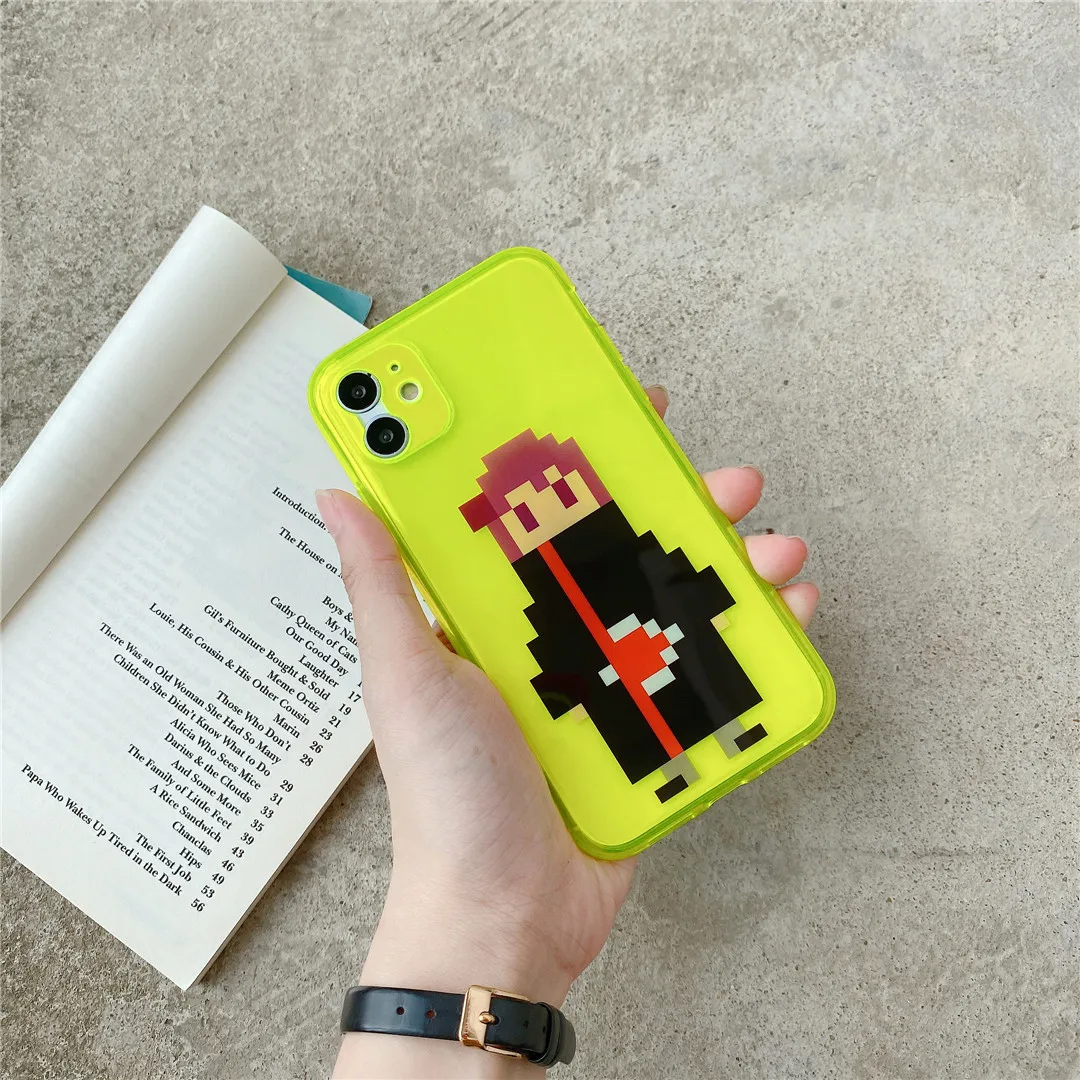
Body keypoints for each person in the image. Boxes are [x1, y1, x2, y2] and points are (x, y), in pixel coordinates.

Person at [316, 388, 819, 1078]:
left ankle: (733, 730)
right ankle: (684, 756)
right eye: (523, 513)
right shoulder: (547, 594)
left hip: (658, 638)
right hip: (608, 674)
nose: (545, 514)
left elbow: (673, 576)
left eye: (557, 493)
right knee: (644, 728)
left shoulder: (626, 554)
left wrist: (703, 592)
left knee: (706, 688)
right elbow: (552, 648)